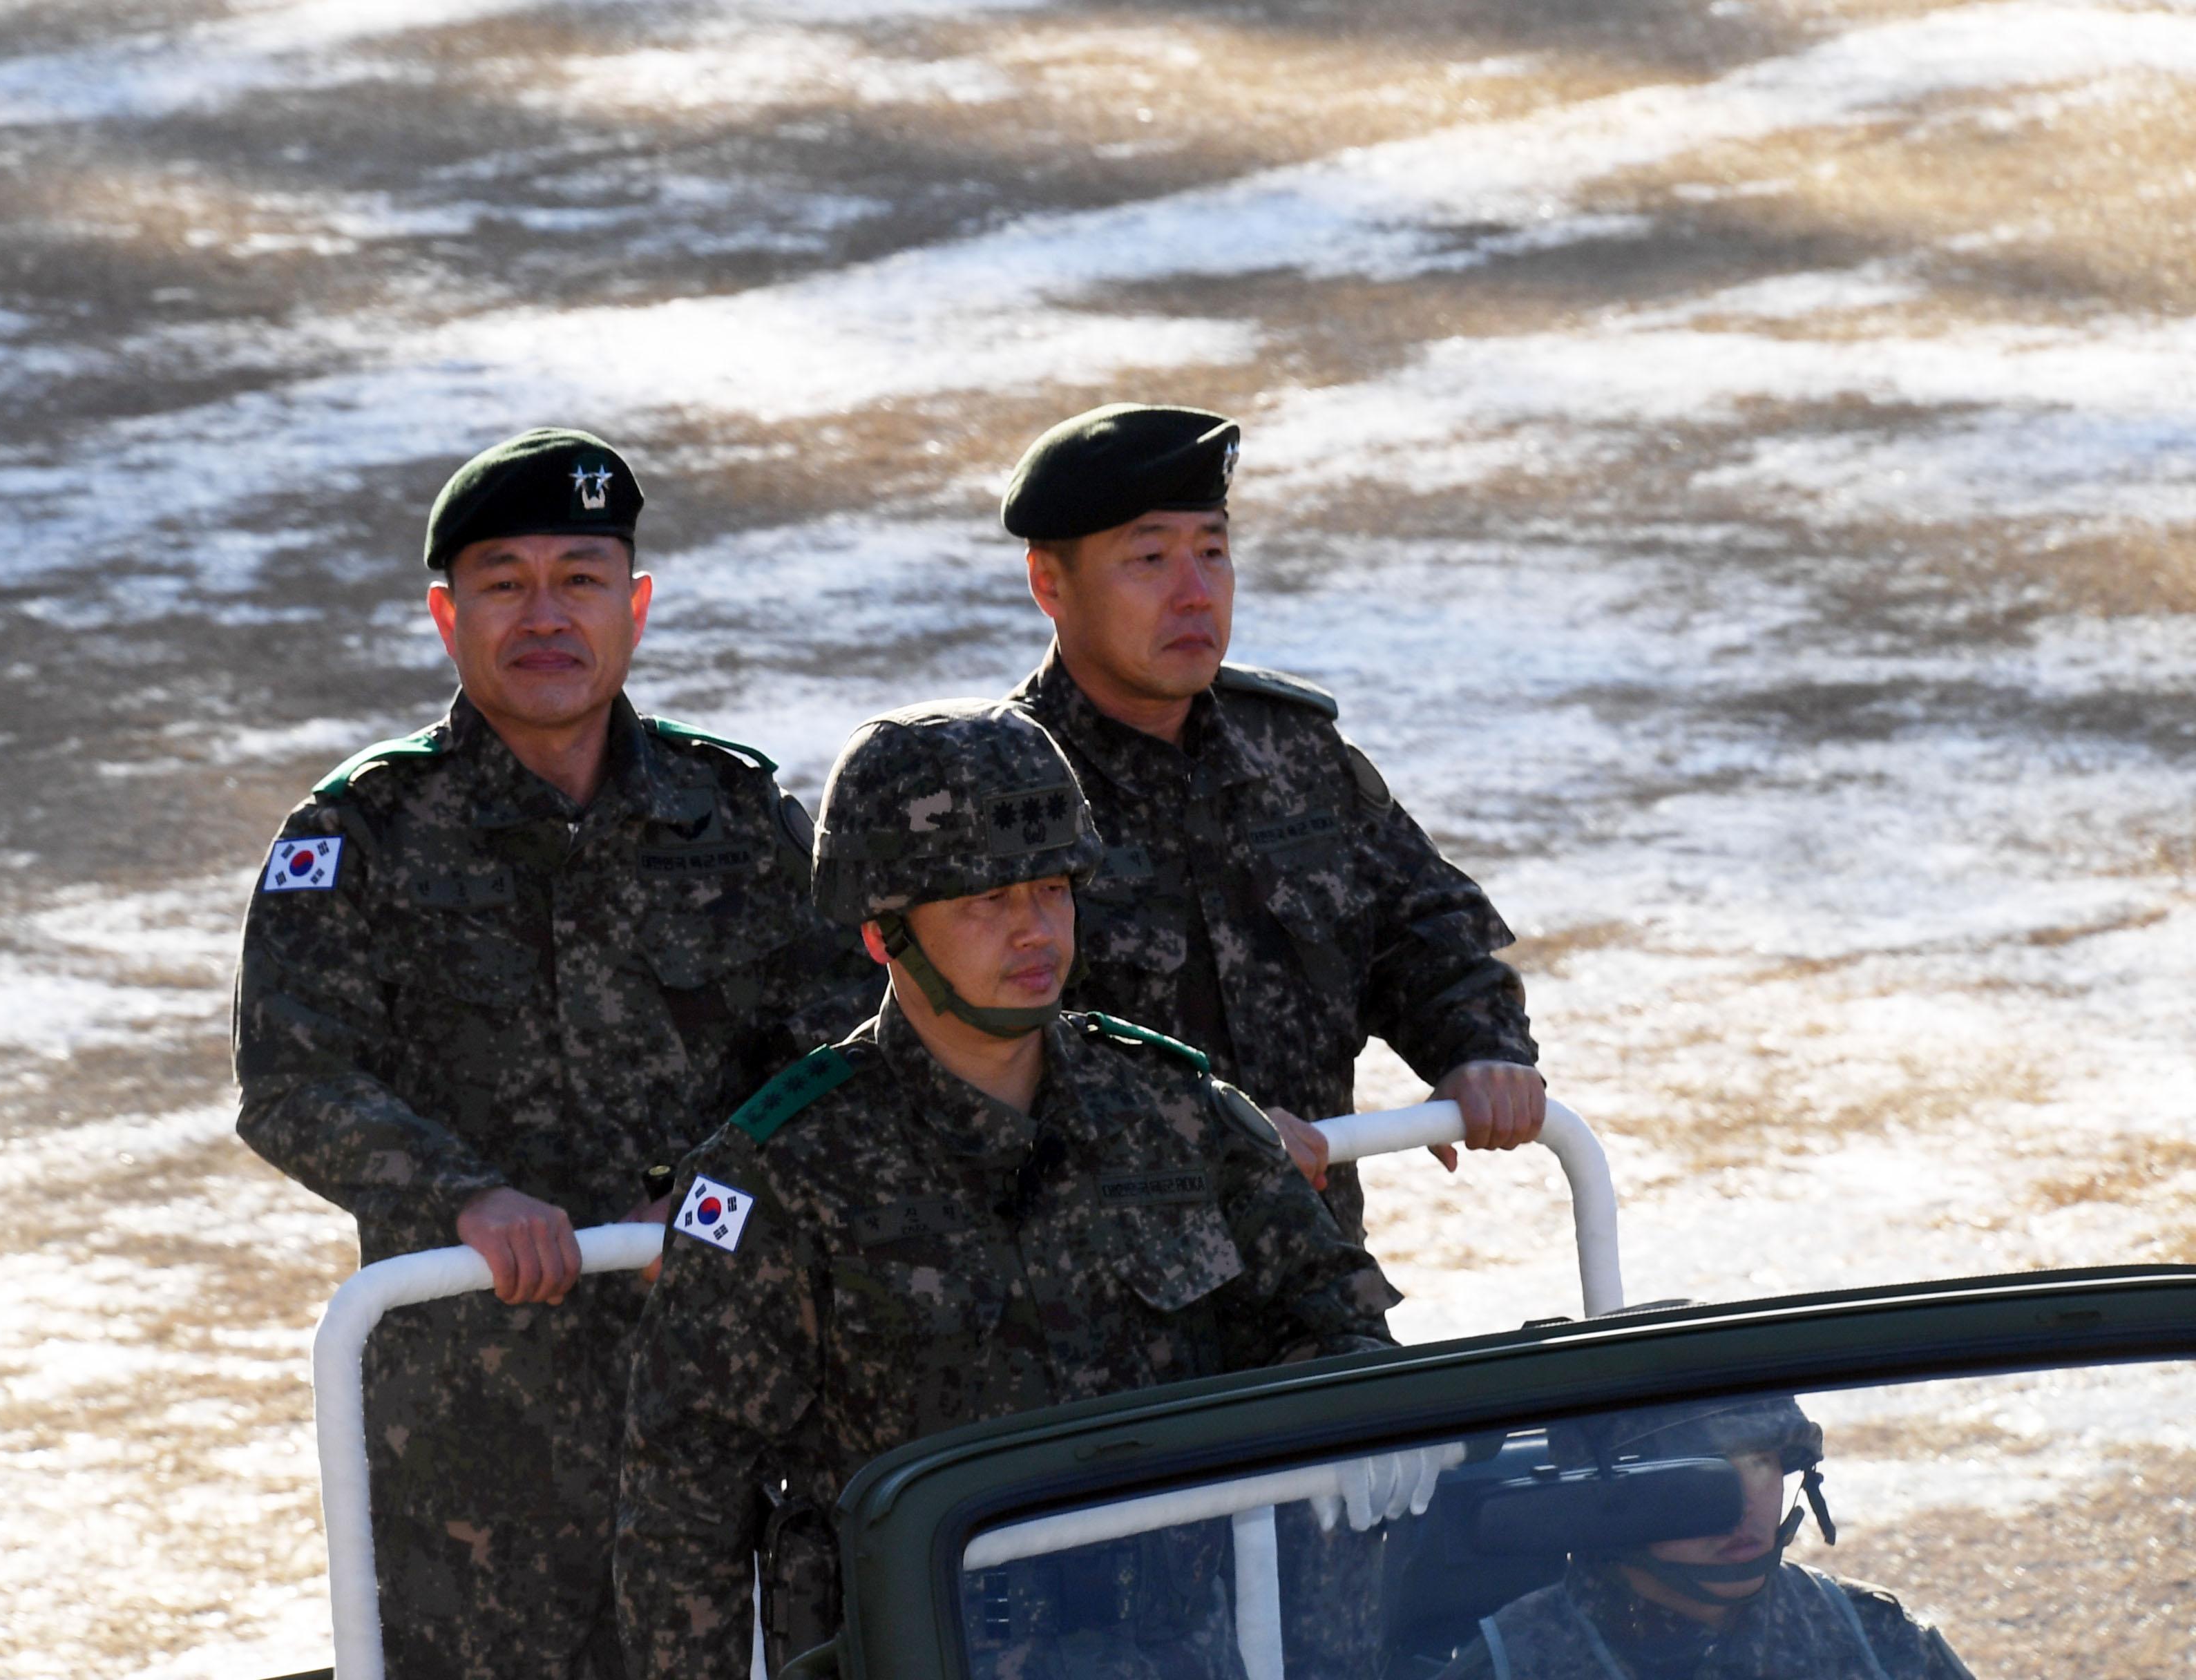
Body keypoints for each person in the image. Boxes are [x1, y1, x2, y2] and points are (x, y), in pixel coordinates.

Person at [232, 428, 873, 1680]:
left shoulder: (733, 814)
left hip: (725, 1397)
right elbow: (291, 1080)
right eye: (503, 583)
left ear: (632, 605)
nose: (543, 615)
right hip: (475, 1447)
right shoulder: (358, 835)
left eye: (579, 579)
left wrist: (716, 1177)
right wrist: (461, 1193)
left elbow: (845, 1045)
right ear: (444, 614)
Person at [613, 699, 1407, 1680]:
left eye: (1050, 887)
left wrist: (1351, 1405)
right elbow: (683, 1503)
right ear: (884, 934)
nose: (1033, 930)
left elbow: (1336, 1316)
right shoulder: (781, 1172)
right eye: (984, 901)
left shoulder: (1173, 1111)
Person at [1000, 403, 1545, 1257]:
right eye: (1149, 558)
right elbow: (968, 1059)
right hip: (1104, 1315)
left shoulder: (1291, 749)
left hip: (1314, 1276)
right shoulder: (992, 790)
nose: (1195, 592)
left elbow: (1423, 929)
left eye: (1213, 551)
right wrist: (1201, 1129)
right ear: (1050, 584)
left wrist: (1480, 1047)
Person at [1435, 1397, 1976, 1680]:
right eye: (1701, 1477)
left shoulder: (1874, 1638)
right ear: (1609, 1500)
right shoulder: (1519, 1662)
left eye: (1760, 1464)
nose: (1742, 1504)